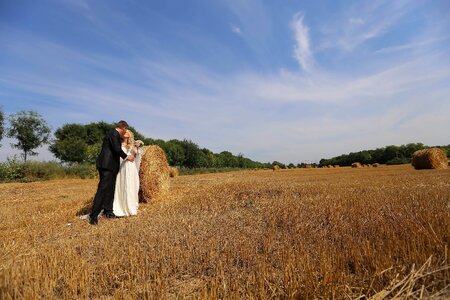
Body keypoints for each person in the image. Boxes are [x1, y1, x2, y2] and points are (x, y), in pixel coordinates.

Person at [89, 121, 135, 225]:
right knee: (103, 189)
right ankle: (93, 216)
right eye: (125, 130)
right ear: (123, 128)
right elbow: (116, 149)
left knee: (110, 189)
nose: (125, 133)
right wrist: (127, 157)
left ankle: (108, 212)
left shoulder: (113, 134)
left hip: (111, 166)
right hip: (106, 165)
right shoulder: (113, 134)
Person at [112, 130, 140, 217]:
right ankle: (121, 206)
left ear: (130, 135)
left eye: (127, 132)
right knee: (122, 185)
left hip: (131, 168)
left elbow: (135, 158)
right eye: (124, 132)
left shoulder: (132, 145)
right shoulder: (119, 144)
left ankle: (130, 206)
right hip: (122, 167)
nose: (125, 133)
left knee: (131, 185)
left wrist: (136, 150)